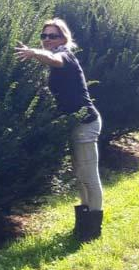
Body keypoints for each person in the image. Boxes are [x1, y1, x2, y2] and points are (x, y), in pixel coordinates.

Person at [13, 18, 104, 241]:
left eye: (52, 36)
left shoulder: (65, 55)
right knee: (80, 175)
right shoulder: (55, 56)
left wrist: (33, 52)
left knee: (89, 176)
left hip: (86, 123)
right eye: (44, 36)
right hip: (74, 123)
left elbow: (54, 59)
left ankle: (92, 230)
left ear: (63, 38)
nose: (47, 40)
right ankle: (83, 225)